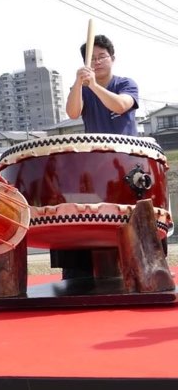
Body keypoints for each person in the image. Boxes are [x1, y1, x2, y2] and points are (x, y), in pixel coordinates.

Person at [53, 34, 140, 279]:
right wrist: (79, 83)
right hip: (95, 164)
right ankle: (81, 274)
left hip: (126, 162)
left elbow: (121, 106)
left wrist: (93, 85)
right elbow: (72, 113)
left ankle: (135, 268)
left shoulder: (125, 83)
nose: (98, 61)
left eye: (102, 56)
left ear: (113, 58)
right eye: (92, 58)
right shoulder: (82, 88)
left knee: (128, 218)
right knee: (93, 216)